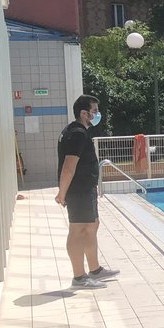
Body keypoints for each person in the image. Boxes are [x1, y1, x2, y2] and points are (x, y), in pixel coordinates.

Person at [55, 94, 119, 289]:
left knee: (92, 226)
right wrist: (62, 193)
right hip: (79, 191)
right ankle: (79, 277)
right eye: (94, 111)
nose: (97, 114)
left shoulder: (76, 131)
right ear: (84, 113)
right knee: (78, 230)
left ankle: (95, 269)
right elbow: (68, 167)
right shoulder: (77, 134)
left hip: (85, 189)